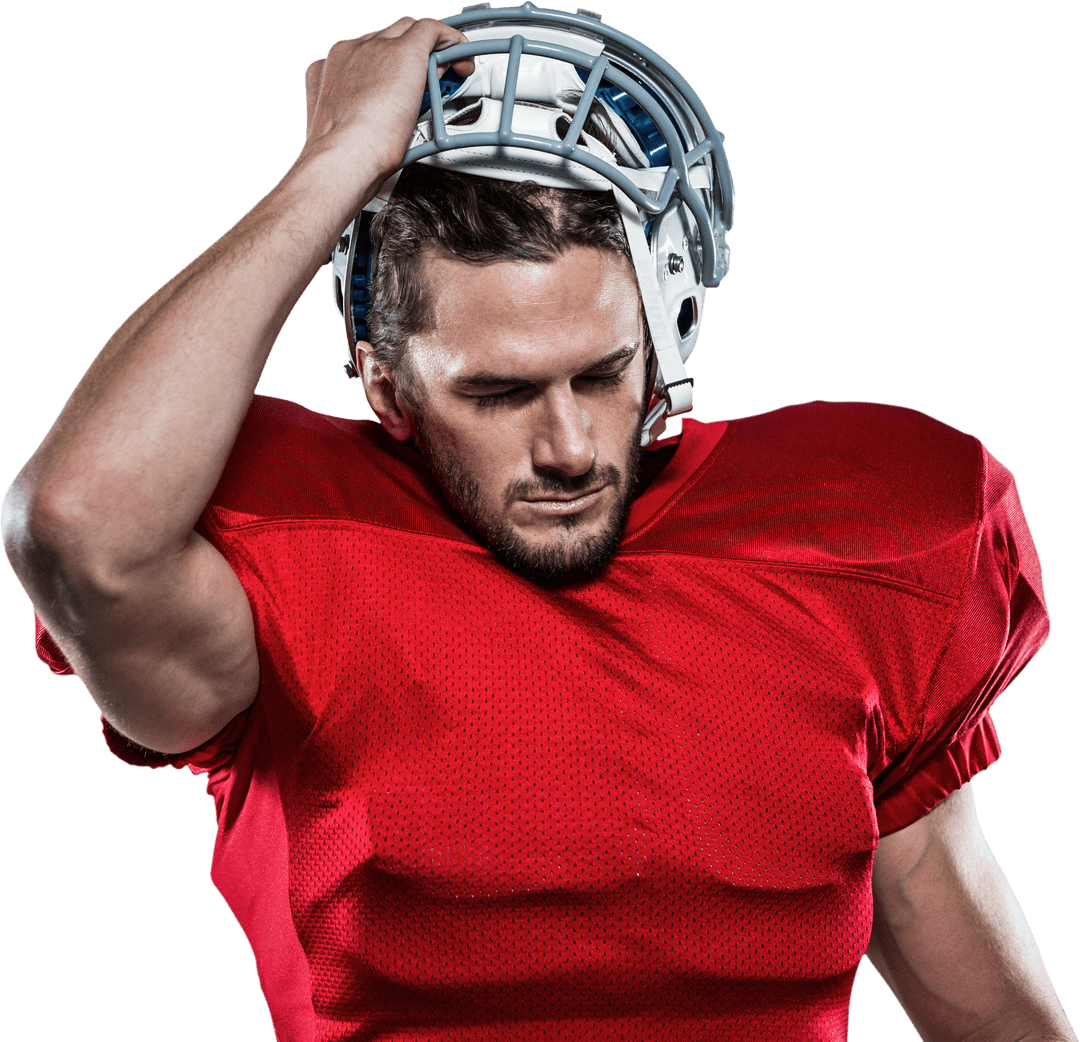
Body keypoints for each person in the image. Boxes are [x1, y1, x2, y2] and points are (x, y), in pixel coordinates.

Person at [2, 6, 1075, 1041]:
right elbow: (78, 526)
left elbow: (980, 999)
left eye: (602, 375)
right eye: (500, 394)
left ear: (669, 329)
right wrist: (335, 163)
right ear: (385, 386)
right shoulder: (286, 563)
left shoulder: (858, 544)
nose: (569, 446)